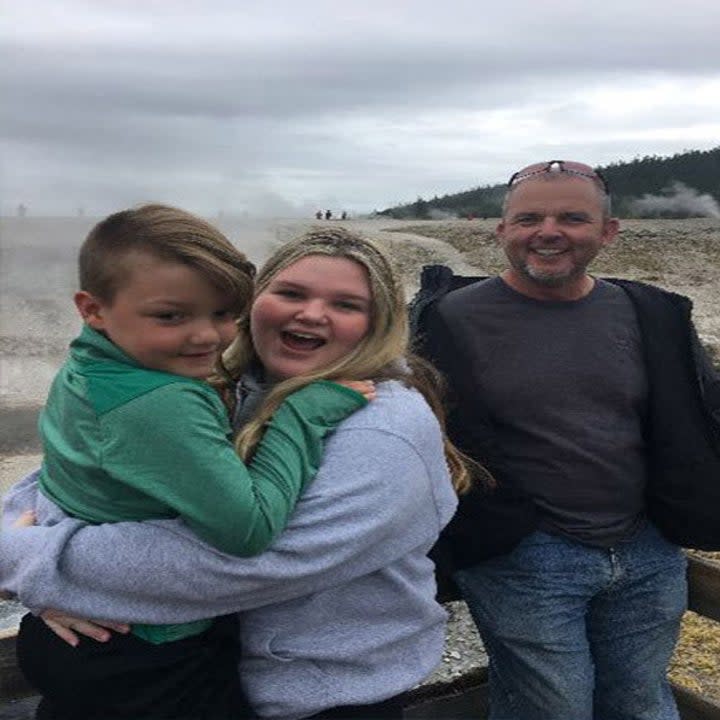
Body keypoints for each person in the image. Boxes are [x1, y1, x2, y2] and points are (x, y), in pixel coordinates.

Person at [1, 227, 467, 720]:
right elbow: (80, 467)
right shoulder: (209, 380)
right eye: (290, 293)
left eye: (346, 304)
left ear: (378, 324)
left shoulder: (382, 430)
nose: (310, 314)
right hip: (176, 676)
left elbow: (231, 566)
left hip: (315, 699)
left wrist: (32, 564)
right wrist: (33, 565)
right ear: (253, 301)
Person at [410, 160, 720, 720]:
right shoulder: (447, 321)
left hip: (647, 545)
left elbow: (701, 412)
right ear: (501, 231)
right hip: (525, 555)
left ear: (607, 231)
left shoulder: (651, 312)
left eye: (572, 218)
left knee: (643, 702)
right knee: (551, 709)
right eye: (529, 218)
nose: (548, 231)